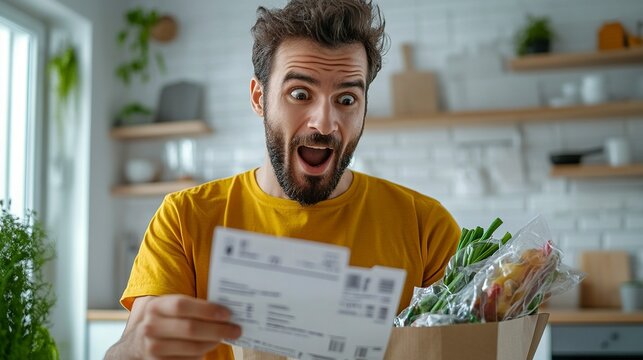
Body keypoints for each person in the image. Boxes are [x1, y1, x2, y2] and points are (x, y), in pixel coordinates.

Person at [106, 0, 460, 359]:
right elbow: (126, 351)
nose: (324, 123)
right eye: (300, 94)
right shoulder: (185, 218)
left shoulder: (425, 227)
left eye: (347, 98)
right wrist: (137, 348)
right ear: (260, 98)